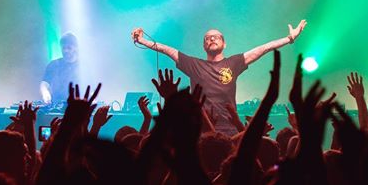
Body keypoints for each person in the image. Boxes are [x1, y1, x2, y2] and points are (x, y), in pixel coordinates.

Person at [130, 21, 307, 134]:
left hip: (230, 129)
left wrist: (289, 39)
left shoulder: (234, 62)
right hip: (201, 129)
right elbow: (167, 50)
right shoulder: (194, 64)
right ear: (204, 45)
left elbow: (263, 49)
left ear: (224, 43)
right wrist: (142, 41)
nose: (212, 39)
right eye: (208, 38)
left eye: (216, 37)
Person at [39, 33, 80, 106]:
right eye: (63, 48)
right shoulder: (53, 64)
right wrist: (45, 93)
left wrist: (93, 99)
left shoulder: (83, 66)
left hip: (79, 106)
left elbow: (92, 87)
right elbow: (44, 83)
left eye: (69, 48)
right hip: (57, 105)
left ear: (76, 48)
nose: (66, 50)